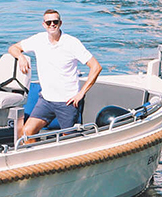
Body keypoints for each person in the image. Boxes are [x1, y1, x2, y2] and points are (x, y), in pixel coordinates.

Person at [8, 9, 102, 141]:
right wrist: (21, 57)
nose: (52, 24)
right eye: (48, 22)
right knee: (27, 132)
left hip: (67, 102)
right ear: (44, 24)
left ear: (60, 23)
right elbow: (13, 48)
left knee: (67, 140)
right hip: (46, 100)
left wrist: (81, 93)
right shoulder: (38, 39)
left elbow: (96, 67)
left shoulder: (72, 43)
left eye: (55, 22)